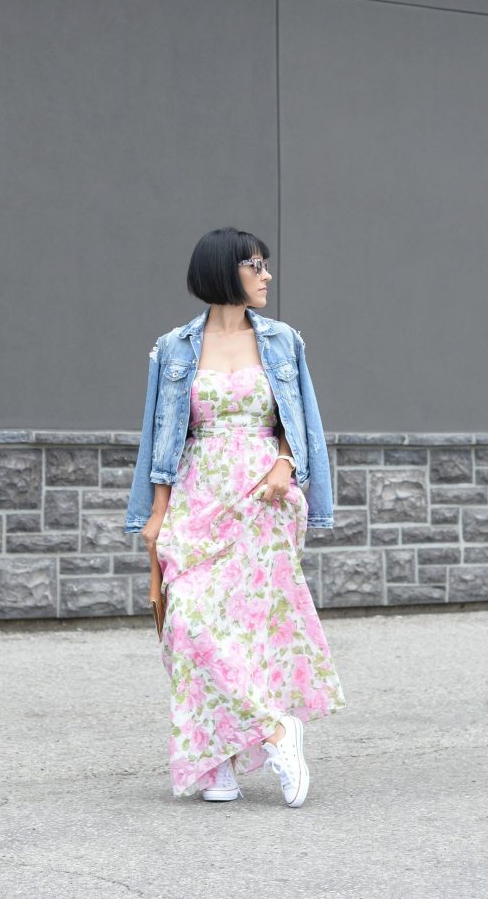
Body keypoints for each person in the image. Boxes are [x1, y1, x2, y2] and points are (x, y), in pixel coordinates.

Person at [125, 227, 347, 805]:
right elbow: (161, 438)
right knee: (190, 623)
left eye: (266, 266)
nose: (267, 275)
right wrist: (155, 514)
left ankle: (227, 755)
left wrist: (285, 463)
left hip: (262, 498)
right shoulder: (174, 348)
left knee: (247, 628)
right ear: (226, 270)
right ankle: (264, 732)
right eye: (256, 265)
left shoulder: (281, 341)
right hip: (198, 495)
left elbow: (303, 425)